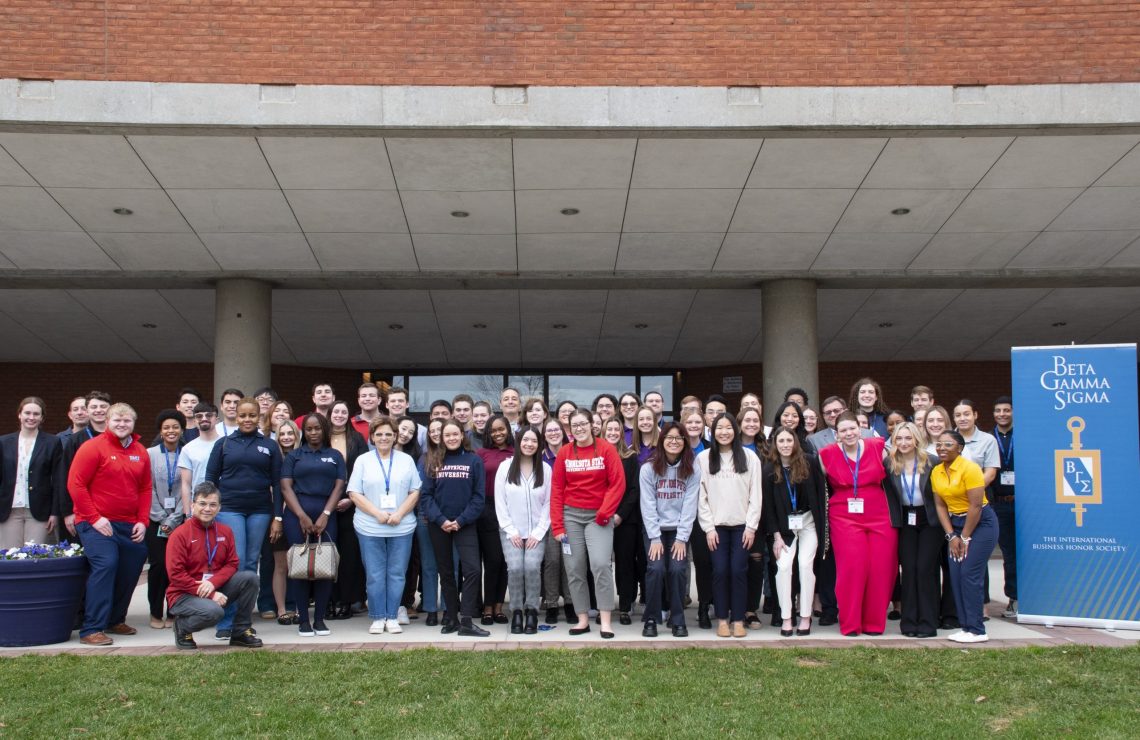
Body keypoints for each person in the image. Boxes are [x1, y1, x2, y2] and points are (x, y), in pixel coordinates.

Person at [67, 402, 152, 646]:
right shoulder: (92, 447)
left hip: (129, 524)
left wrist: (143, 521)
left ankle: (115, 619)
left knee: (132, 564)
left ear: (133, 424)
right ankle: (91, 628)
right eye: (117, 420)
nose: (122, 424)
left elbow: (145, 488)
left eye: (127, 421)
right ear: (107, 422)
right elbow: (76, 485)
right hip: (95, 523)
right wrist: (95, 518)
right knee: (106, 564)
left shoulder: (140, 451)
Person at [204, 397, 282, 640]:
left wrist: (277, 516)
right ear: (235, 417)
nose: (247, 420)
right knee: (233, 564)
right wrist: (209, 511)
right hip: (230, 510)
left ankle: (243, 622)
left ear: (259, 417)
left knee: (250, 564)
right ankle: (225, 621)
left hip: (260, 510)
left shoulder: (269, 445)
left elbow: (278, 485)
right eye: (243, 415)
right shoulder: (223, 444)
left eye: (252, 415)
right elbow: (210, 478)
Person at [818, 411, 900, 637]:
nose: (849, 433)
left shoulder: (878, 447)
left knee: (881, 568)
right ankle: (851, 623)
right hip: (844, 515)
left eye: (852, 428)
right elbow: (817, 487)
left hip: (879, 514)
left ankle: (874, 623)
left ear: (860, 428)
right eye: (843, 430)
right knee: (852, 568)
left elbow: (899, 473)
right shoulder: (826, 455)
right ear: (837, 434)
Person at [550, 408, 624, 638]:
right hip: (571, 516)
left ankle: (605, 621)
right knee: (574, 568)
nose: (580, 429)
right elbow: (557, 490)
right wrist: (557, 525)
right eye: (575, 425)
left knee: (601, 564)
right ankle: (582, 619)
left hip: (598, 517)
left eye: (584, 424)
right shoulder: (564, 453)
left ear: (592, 425)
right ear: (569, 429)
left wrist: (605, 512)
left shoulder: (606, 449)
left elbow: (617, 484)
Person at [165, 482, 263, 649]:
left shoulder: (225, 531)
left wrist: (212, 584)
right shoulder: (180, 534)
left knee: (250, 578)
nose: (207, 509)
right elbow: (176, 574)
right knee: (215, 612)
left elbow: (232, 563)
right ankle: (182, 627)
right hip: (184, 594)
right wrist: (210, 594)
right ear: (192, 505)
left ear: (219, 508)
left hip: (213, 587)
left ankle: (240, 631)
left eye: (212, 505)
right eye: (202, 504)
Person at [349, 416, 421, 635]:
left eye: (388, 434)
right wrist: (377, 513)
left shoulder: (406, 460)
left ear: (395, 437)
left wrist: (399, 513)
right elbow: (354, 492)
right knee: (375, 574)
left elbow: (415, 491)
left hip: (402, 525)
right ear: (372, 437)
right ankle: (378, 616)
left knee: (397, 573)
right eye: (379, 434)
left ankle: (392, 616)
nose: (384, 438)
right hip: (370, 526)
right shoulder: (363, 460)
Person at [278, 413, 346, 637]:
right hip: (297, 516)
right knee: (300, 567)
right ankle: (304, 621)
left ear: (324, 430)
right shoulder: (294, 456)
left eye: (317, 428)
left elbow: (339, 486)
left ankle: (319, 620)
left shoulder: (335, 455)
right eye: (309, 429)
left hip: (327, 516)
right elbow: (286, 488)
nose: (313, 432)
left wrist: (326, 513)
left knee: (324, 566)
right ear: (303, 432)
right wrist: (301, 516)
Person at [419, 420, 488, 636]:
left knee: (473, 570)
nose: (450, 438)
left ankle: (466, 619)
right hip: (439, 524)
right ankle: (451, 617)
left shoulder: (473, 460)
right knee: (446, 572)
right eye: (446, 435)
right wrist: (440, 520)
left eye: (454, 434)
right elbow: (426, 496)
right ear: (441, 437)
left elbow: (479, 497)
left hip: (465, 524)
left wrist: (460, 520)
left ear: (462, 435)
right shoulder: (433, 460)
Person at [697, 413, 761, 638]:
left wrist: (751, 527)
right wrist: (708, 528)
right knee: (720, 571)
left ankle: (738, 619)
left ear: (736, 430)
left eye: (728, 427)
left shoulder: (750, 457)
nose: (724, 432)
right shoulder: (704, 458)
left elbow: (756, 494)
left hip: (742, 527)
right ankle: (723, 619)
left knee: (738, 570)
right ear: (712, 432)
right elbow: (700, 496)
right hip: (716, 528)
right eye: (719, 428)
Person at [931, 431, 998, 643]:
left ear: (959, 448)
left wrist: (965, 537)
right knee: (956, 575)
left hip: (981, 524)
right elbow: (940, 505)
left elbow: (976, 506)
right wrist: (951, 535)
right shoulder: (937, 471)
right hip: (956, 525)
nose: (941, 447)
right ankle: (966, 626)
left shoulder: (970, 468)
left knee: (970, 574)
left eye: (947, 444)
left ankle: (978, 629)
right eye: (939, 444)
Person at [639, 422, 700, 637]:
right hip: (654, 529)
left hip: (678, 530)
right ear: (662, 441)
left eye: (679, 438)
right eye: (669, 437)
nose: (674, 442)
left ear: (685, 442)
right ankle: (652, 619)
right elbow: (647, 505)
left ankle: (677, 618)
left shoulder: (692, 469)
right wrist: (654, 537)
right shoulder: (648, 468)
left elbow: (690, 505)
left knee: (677, 569)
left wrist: (682, 538)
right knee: (655, 569)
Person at [762, 427, 825, 637]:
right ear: (775, 444)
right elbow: (768, 507)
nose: (785, 445)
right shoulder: (769, 469)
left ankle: (805, 616)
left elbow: (820, 495)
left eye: (789, 440)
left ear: (795, 442)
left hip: (807, 522)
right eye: (781, 441)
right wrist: (776, 536)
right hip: (783, 528)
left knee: (805, 565)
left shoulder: (809, 462)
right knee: (783, 566)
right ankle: (787, 617)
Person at [885, 422, 941, 638]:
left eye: (908, 438)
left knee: (924, 568)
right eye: (899, 439)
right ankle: (908, 623)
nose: (904, 443)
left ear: (917, 439)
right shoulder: (889, 464)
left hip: (929, 520)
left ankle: (928, 622)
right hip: (905, 520)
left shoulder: (932, 461)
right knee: (908, 570)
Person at [494, 426, 551, 635]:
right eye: (525, 440)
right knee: (516, 567)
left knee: (532, 566)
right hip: (511, 531)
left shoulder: (546, 469)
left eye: (534, 441)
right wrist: (510, 530)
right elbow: (500, 501)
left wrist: (539, 531)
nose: (529, 444)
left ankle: (532, 611)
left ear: (539, 444)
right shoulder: (505, 467)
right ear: (518, 442)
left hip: (537, 531)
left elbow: (548, 503)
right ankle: (517, 610)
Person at [0, 397, 63, 548]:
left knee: (35, 556)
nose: (31, 417)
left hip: (39, 511)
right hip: (8, 509)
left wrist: (54, 512)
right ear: (19, 415)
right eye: (27, 413)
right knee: (9, 556)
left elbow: (58, 480)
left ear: (42, 418)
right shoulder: (3, 442)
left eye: (36, 414)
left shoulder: (52, 442)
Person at [327, 400, 368, 621]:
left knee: (349, 555)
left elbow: (363, 471)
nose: (340, 415)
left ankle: (346, 601)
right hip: (323, 506)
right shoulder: (320, 437)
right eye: (336, 411)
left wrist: (352, 499)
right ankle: (328, 601)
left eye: (344, 411)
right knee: (326, 553)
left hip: (350, 504)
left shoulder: (357, 439)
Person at [145, 409, 186, 629]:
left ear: (181, 430)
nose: (171, 431)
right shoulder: (150, 454)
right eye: (166, 427)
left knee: (175, 567)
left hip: (179, 519)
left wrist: (175, 517)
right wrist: (161, 517)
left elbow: (188, 487)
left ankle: (173, 612)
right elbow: (146, 487)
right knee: (158, 565)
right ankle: (155, 612)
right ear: (161, 431)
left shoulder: (187, 452)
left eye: (175, 427)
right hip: (155, 519)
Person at [603, 418, 643, 626]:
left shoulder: (630, 457)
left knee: (625, 563)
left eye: (616, 429)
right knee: (601, 563)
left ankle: (625, 605)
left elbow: (634, 490)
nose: (612, 432)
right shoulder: (595, 457)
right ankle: (601, 604)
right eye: (608, 428)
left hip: (625, 520)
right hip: (600, 518)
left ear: (621, 433)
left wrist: (620, 515)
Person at [475, 415, 513, 624]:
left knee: (506, 561)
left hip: (510, 510)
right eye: (493, 430)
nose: (498, 433)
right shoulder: (481, 454)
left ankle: (499, 606)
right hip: (487, 510)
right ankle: (487, 606)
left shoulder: (516, 453)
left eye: (501, 429)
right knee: (492, 561)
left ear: (508, 430)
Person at [266, 420, 301, 624]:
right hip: (277, 517)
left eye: (290, 433)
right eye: (282, 434)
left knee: (298, 565)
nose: (286, 437)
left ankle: (298, 607)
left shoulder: (303, 457)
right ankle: (281, 609)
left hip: (299, 518)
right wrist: (277, 517)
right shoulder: (273, 459)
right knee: (280, 565)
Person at [540, 418, 573, 624]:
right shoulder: (540, 458)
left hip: (572, 512)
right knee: (552, 560)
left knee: (570, 560)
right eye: (549, 430)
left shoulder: (572, 453)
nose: (553, 433)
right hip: (549, 514)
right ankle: (551, 602)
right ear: (544, 435)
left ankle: (570, 602)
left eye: (556, 430)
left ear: (563, 432)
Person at [412, 417, 444, 625]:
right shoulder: (423, 459)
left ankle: (448, 608)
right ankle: (431, 609)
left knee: (452, 568)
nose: (436, 434)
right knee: (429, 566)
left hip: (453, 521)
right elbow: (422, 492)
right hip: (426, 518)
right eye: (432, 431)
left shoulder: (459, 457)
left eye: (439, 430)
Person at [991, 396, 1017, 618]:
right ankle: (1013, 598)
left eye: (1006, 410)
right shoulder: (990, 439)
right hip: (999, 503)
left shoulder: (1025, 436)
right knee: (1008, 553)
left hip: (1023, 503)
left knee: (1027, 552)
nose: (1002, 414)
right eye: (998, 410)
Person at [176, 402, 220, 514]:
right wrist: (187, 514)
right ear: (195, 421)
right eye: (199, 416)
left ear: (217, 419)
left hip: (225, 506)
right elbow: (186, 484)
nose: (204, 419)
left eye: (209, 415)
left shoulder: (228, 444)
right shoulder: (188, 449)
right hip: (199, 508)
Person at [953, 400, 1000, 487]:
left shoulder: (988, 440)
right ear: (954, 418)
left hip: (980, 494)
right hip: (950, 494)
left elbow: (990, 474)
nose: (962, 418)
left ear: (975, 415)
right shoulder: (946, 440)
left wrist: (971, 491)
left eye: (966, 414)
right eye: (958, 415)